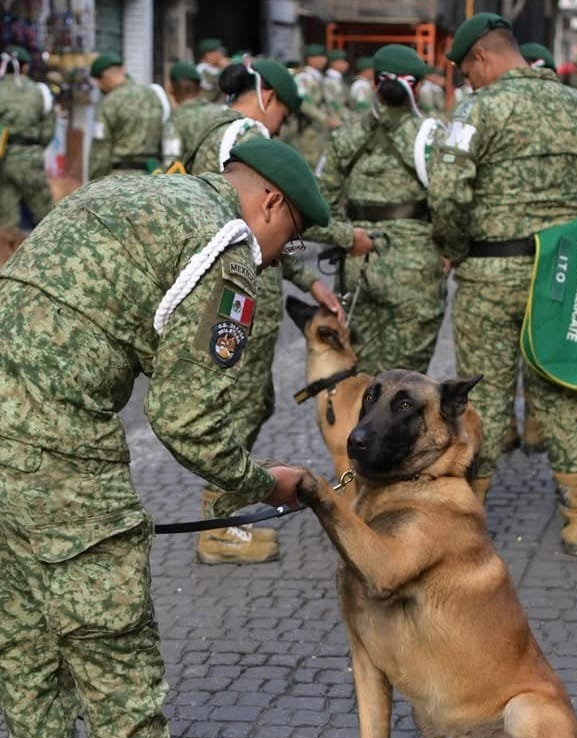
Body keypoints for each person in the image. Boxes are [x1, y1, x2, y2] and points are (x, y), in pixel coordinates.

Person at [0, 137, 326, 738]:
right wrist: (259, 486)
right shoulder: (230, 250)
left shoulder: (138, 192)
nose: (281, 256)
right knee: (115, 654)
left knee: (27, 639)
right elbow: (187, 421)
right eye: (290, 239)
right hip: (51, 442)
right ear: (271, 205)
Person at [430, 13, 577, 556]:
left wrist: (452, 243)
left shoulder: (478, 108)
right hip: (562, 275)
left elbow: (448, 192)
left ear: (482, 59)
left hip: (489, 276)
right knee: (561, 389)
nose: (467, 83)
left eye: (467, 71)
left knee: (485, 396)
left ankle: (470, 520)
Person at [178, 58, 339, 565]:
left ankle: (223, 516)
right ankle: (219, 526)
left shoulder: (211, 129)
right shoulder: (244, 133)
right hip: (243, 291)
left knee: (251, 401)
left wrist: (306, 278)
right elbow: (255, 221)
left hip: (239, 282)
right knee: (240, 405)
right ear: (266, 95)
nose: (280, 129)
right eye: (284, 114)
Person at [309, 44, 445, 376]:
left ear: (374, 84)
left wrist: (344, 236)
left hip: (357, 263)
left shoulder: (346, 135)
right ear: (416, 87)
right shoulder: (430, 136)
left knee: (363, 380)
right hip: (415, 269)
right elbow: (451, 201)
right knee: (407, 383)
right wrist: (451, 248)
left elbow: (315, 208)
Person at [0, 46, 56, 230]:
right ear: (25, 67)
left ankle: (7, 257)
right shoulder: (39, 91)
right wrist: (37, 146)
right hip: (30, 157)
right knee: (46, 217)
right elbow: (49, 127)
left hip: (0, 158)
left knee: (7, 220)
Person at [87, 54, 168, 180]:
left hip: (120, 179)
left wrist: (93, 182)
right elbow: (166, 135)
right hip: (153, 175)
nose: (99, 87)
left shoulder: (109, 103)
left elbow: (101, 150)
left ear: (103, 79)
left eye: (99, 83)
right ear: (123, 71)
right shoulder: (153, 96)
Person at [288, 43, 338, 167]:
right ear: (310, 59)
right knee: (309, 162)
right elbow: (303, 104)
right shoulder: (304, 78)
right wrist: (325, 118)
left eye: (324, 57)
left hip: (318, 129)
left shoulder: (318, 77)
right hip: (307, 129)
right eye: (319, 57)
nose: (324, 60)